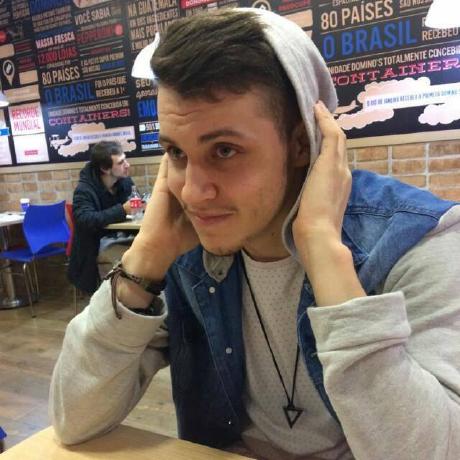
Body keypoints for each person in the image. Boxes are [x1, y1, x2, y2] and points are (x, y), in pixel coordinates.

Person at [51, 8, 460, 460]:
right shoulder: (186, 254)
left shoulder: (417, 240)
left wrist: (324, 251)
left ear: (302, 143)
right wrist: (144, 259)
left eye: (225, 150)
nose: (193, 192)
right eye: (177, 153)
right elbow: (75, 419)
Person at [67, 140, 135, 294]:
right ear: (105, 168)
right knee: (137, 257)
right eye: (121, 162)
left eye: (125, 159)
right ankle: (123, 297)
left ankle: (132, 297)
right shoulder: (84, 189)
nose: (127, 165)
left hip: (122, 238)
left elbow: (133, 206)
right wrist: (122, 210)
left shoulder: (125, 182)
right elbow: (85, 219)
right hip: (94, 248)